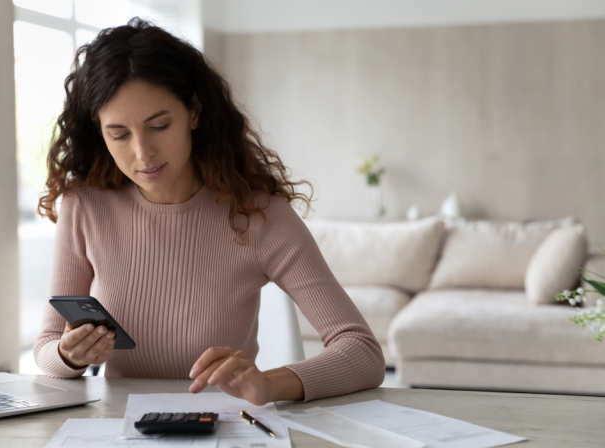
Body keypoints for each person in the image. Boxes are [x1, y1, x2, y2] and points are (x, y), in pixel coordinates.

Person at [34, 18, 385, 405]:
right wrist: (69, 355)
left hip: (222, 430)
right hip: (119, 430)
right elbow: (47, 349)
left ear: (195, 113)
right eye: (118, 134)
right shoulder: (85, 205)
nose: (142, 153)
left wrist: (270, 384)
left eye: (159, 125)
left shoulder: (258, 215)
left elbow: (362, 352)